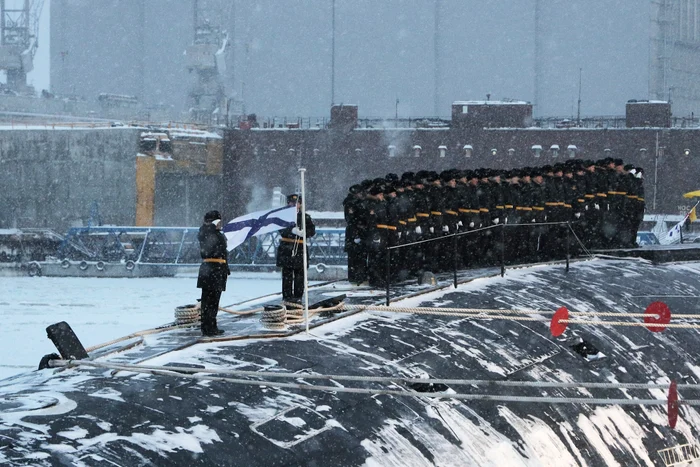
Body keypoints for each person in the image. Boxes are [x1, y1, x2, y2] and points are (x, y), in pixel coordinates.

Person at [277, 194, 316, 304]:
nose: (294, 205)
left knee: (300, 275)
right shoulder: (283, 217)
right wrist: (291, 231)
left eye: (297, 203)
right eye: (292, 203)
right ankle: (287, 297)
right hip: (286, 248)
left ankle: (298, 296)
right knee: (287, 275)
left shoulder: (305, 217)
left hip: (300, 247)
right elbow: (281, 230)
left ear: (300, 204)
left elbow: (312, 231)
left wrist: (304, 233)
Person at [197, 210, 230, 336]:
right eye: (218, 221)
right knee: (210, 300)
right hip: (212, 269)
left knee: (212, 300)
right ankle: (208, 327)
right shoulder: (207, 232)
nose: (220, 224)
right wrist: (211, 225)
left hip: (215, 269)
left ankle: (211, 325)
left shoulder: (213, 233)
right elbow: (205, 236)